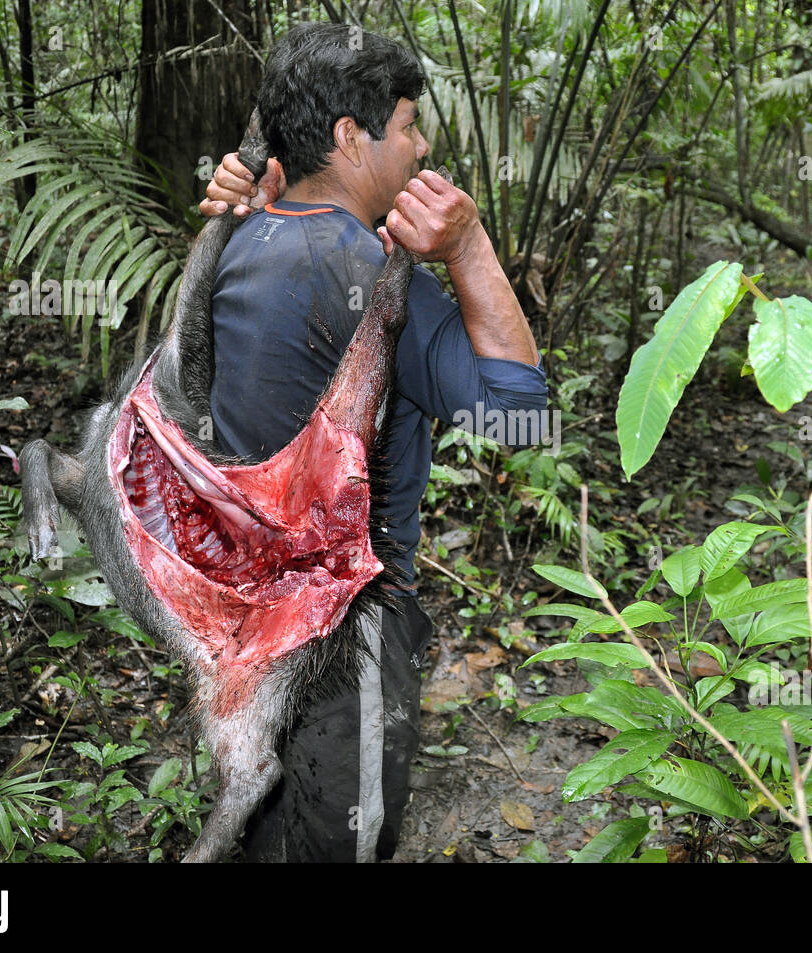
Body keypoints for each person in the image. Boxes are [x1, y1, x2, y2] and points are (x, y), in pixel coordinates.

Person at [197, 22, 547, 862]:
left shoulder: (244, 230)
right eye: (410, 125)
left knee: (257, 818)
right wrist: (468, 245)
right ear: (352, 137)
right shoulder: (368, 274)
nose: (423, 146)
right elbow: (521, 414)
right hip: (345, 631)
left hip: (239, 614)